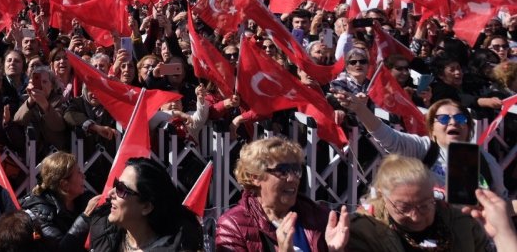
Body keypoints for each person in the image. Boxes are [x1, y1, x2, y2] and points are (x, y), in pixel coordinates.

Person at [333, 94, 508, 197]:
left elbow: (502, 201)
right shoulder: (424, 148)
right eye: (444, 119)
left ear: (469, 127)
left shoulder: (485, 159)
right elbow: (387, 137)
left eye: (461, 119)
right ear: (432, 127)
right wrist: (360, 110)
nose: (453, 123)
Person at [215, 137, 349, 252]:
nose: (292, 178)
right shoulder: (233, 225)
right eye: (282, 171)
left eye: (296, 170)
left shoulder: (321, 217)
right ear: (255, 177)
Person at [347, 154, 488, 252]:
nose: (415, 217)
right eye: (403, 208)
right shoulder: (364, 230)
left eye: (424, 205)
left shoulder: (460, 220)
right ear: (382, 195)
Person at [87, 156, 204, 252]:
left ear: (146, 207)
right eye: (116, 184)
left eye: (121, 189)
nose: (110, 193)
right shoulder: (103, 232)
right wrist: (83, 220)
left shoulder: (181, 247)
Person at [20, 151, 101, 251]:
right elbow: (61, 249)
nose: (84, 176)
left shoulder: (82, 198)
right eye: (78, 172)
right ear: (64, 184)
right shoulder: (41, 212)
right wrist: (85, 216)